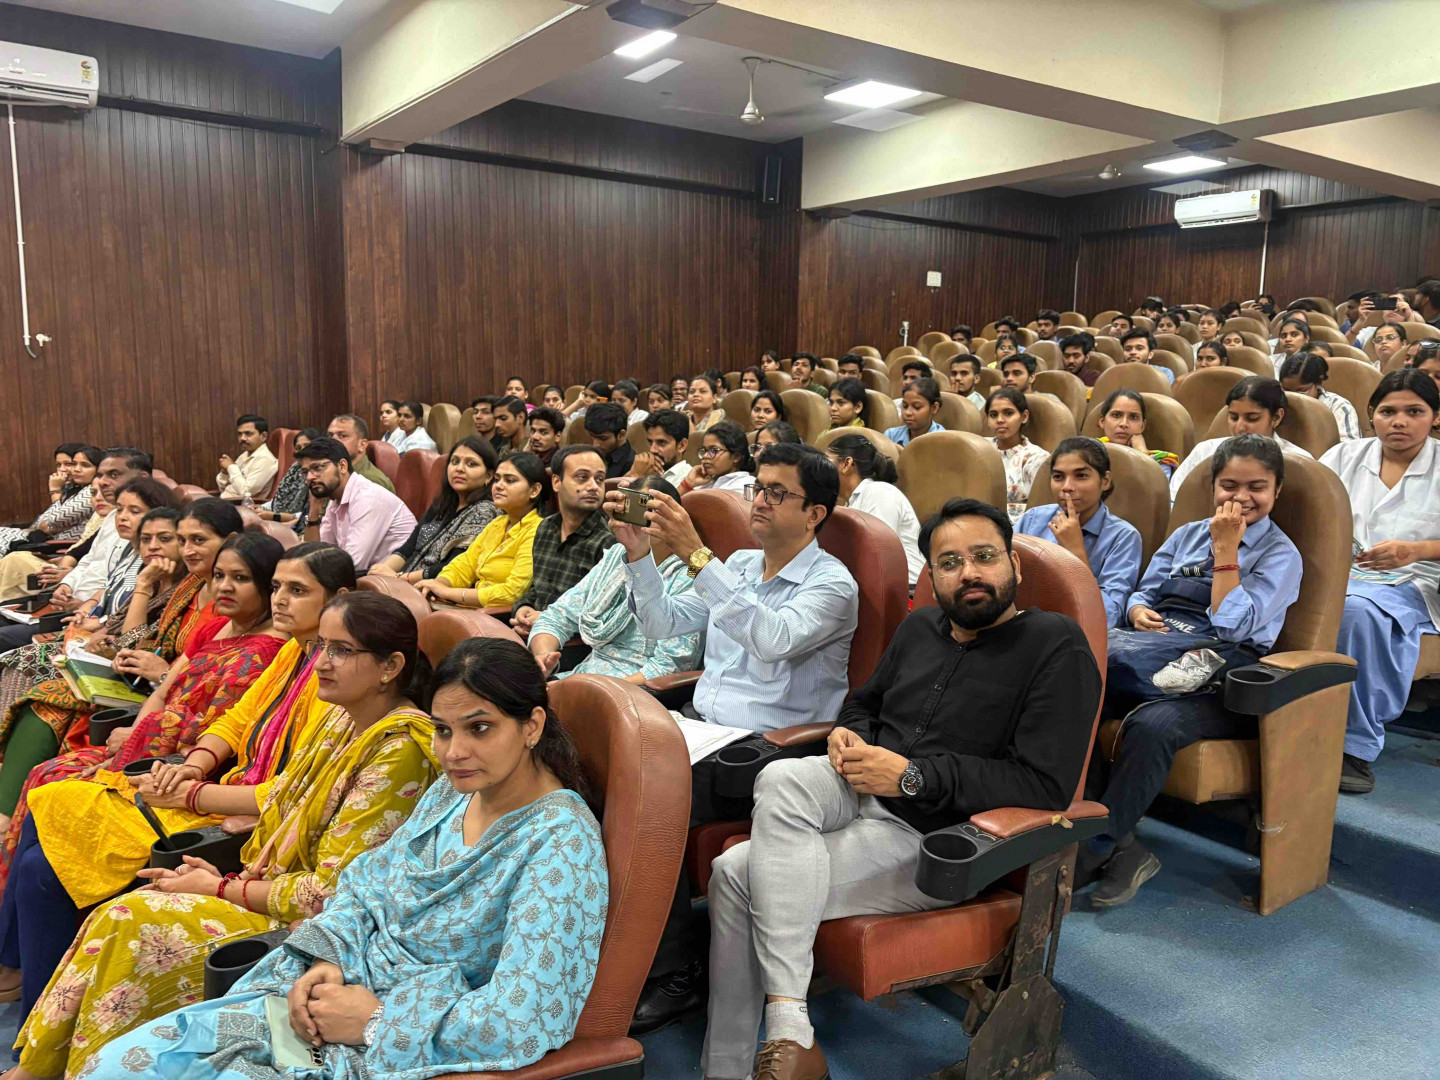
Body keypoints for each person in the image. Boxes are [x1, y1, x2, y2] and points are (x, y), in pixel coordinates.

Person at [701, 497, 1101, 1080]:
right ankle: (788, 1033)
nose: (969, 572)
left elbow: (1044, 784)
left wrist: (912, 776)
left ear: (1013, 563)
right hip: (856, 787)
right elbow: (864, 703)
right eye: (950, 562)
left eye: (984, 557)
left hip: (933, 836)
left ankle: (740, 1062)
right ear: (931, 577)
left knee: (734, 874)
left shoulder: (1055, 645)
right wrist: (850, 736)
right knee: (780, 775)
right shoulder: (920, 627)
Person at [86, 637, 607, 1080]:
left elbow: (524, 1016)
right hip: (333, 995)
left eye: (480, 728)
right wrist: (327, 962)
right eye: (444, 730)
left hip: (396, 1042)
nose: (453, 752)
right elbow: (366, 883)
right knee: (121, 1064)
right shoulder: (454, 792)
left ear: (532, 726)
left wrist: (377, 1021)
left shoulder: (561, 844)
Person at [15, 592, 444, 1077]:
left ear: (391, 666)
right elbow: (283, 797)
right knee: (118, 909)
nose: (322, 662)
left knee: (128, 921)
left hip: (311, 933)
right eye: (320, 646)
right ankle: (38, 1069)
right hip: (262, 887)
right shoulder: (343, 720)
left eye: (342, 650)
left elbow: (329, 895)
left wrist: (219, 887)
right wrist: (221, 863)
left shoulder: (399, 749)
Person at [608, 441, 857, 1032]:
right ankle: (611, 939)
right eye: (758, 489)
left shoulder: (832, 586)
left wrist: (696, 554)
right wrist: (640, 557)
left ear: (815, 513)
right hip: (702, 729)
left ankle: (676, 972)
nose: (760, 502)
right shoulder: (741, 565)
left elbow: (771, 639)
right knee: (598, 764)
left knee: (651, 797)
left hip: (775, 747)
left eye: (777, 493)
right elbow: (662, 624)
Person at [0, 531, 290, 1024]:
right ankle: (14, 965)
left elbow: (221, 728)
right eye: (220, 575)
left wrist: (159, 745)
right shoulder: (212, 623)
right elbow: (170, 690)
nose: (224, 585)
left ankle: (32, 1000)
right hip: (165, 757)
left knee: (42, 851)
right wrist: (141, 728)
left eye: (241, 579)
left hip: (192, 780)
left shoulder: (273, 652)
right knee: (49, 787)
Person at [1081, 436, 1302, 906]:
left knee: (1153, 725)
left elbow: (1232, 626)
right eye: (1229, 485)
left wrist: (1227, 551)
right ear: (1213, 486)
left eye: (1257, 487)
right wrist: (1138, 611)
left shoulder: (1281, 555)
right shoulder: (1186, 534)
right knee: (1075, 690)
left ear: (1277, 491)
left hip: (1225, 674)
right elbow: (1145, 590)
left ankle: (1095, 848)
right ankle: (1120, 843)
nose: (1241, 497)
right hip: (1155, 649)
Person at [0, 499, 245, 875]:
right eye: (182, 540)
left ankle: (7, 824)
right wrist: (138, 600)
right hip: (144, 686)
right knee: (34, 675)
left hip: (161, 707)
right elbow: (137, 641)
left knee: (49, 699)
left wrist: (157, 674)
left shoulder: (229, 608)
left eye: (195, 540)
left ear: (230, 541)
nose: (186, 549)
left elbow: (200, 692)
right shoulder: (191, 586)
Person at [1322, 370, 1440, 795]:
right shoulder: (1343, 456)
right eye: (1388, 412)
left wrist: (1418, 550)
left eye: (1414, 412)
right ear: (1371, 414)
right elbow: (1308, 508)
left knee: (1357, 612)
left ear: (1435, 417)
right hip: (1339, 572)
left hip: (1417, 583)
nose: (1399, 422)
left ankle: (1353, 744)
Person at [528, 474, 701, 681]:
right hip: (584, 676)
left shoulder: (691, 573)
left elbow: (668, 666)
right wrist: (543, 658)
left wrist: (604, 692)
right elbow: (559, 615)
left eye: (652, 512)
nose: (642, 522)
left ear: (676, 518)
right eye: (636, 510)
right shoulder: (616, 557)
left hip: (633, 688)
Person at [1015, 437, 1142, 627]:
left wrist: (1076, 554)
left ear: (1105, 481)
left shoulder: (1123, 537)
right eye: (1058, 477)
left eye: (1081, 476)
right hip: (1022, 621)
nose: (1067, 487)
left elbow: (1110, 616)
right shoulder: (1033, 518)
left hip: (1073, 631)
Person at [504, 446, 616, 636]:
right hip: (534, 630)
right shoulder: (546, 528)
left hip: (573, 642)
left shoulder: (609, 541)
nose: (593, 486)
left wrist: (549, 620)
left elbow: (605, 614)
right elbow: (538, 587)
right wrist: (524, 607)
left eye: (599, 479)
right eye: (582, 477)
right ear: (556, 482)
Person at [418, 452, 546, 610]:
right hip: (469, 607)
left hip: (498, 615)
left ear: (534, 490)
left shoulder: (538, 530)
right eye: (497, 479)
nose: (498, 486)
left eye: (510, 480)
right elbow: (465, 564)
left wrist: (448, 593)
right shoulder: (498, 523)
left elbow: (513, 593)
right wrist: (438, 584)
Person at [369, 436, 500, 582]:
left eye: (471, 464)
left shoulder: (484, 511)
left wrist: (398, 578)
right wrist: (382, 571)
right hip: (404, 580)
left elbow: (453, 567)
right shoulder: (443, 503)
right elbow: (408, 548)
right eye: (455, 461)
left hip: (432, 587)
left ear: (489, 476)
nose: (459, 469)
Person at [1169, 376, 1313, 500]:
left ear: (1276, 417)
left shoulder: (1299, 463)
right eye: (1233, 417)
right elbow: (1175, 500)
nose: (1239, 427)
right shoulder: (1205, 451)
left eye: (1252, 418)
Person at [300, 437, 416, 570]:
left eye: (317, 468)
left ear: (342, 466)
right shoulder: (336, 499)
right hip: (368, 576)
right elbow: (317, 552)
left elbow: (352, 565)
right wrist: (314, 512)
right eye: (305, 472)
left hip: (397, 578)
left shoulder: (367, 498)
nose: (309, 477)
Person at [826, 433, 922, 587]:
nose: (822, 470)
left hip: (906, 590)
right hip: (875, 586)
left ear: (846, 464)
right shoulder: (852, 502)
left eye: (827, 462)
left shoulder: (879, 492)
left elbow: (877, 554)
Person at [0, 444, 98, 559]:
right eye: (58, 465)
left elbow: (53, 520)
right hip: (43, 539)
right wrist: (48, 526)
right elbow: (42, 523)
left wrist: (55, 490)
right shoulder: (73, 488)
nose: (75, 469)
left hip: (57, 546)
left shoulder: (91, 491)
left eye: (68, 464)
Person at [986, 388, 1049, 524]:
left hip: (1016, 527)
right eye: (993, 415)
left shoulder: (1037, 458)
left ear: (1024, 417)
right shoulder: (979, 448)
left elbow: (1039, 511)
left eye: (1008, 413)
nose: (1000, 420)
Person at [1096, 389, 1180, 479]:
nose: (1124, 424)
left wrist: (1142, 454)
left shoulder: (1161, 463)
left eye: (1133, 417)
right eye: (1116, 415)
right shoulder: (1089, 453)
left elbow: (1154, 487)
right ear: (1102, 421)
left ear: (1142, 426)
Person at [1278, 353, 1361, 440]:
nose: (1293, 396)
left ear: (1317, 383)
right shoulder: (1275, 403)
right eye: (1286, 390)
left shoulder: (1338, 407)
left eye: (1301, 391)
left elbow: (1348, 446)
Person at [257, 427, 322, 532]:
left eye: (307, 446)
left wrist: (275, 516)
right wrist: (261, 509)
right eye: (298, 448)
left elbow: (307, 515)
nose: (302, 451)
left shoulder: (318, 475)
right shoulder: (295, 469)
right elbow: (278, 500)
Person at [678, 421, 756, 496]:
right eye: (705, 450)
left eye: (714, 450)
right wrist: (688, 484)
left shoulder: (746, 484)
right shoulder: (705, 481)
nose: (705, 455)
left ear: (736, 457)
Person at [214, 414, 278, 502]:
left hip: (241, 506)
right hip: (225, 502)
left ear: (263, 436)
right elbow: (224, 488)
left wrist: (231, 467)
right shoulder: (244, 455)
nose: (242, 438)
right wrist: (225, 472)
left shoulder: (265, 460)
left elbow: (246, 493)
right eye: (240, 434)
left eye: (248, 434)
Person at [325, 415, 396, 493]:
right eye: (330, 436)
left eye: (342, 436)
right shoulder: (331, 473)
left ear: (362, 445)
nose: (332, 441)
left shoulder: (371, 481)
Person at [633, 409, 693, 488]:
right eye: (650, 442)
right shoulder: (644, 470)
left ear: (682, 446)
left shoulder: (689, 478)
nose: (652, 450)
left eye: (661, 442)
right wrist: (634, 473)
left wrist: (636, 476)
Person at [885, 375, 945, 446]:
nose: (908, 412)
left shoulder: (944, 440)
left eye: (917, 407)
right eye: (905, 406)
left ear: (934, 408)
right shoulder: (891, 435)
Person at [584, 401, 636, 479]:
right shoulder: (592, 455)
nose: (595, 444)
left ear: (621, 435)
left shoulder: (631, 465)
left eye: (603, 438)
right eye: (592, 436)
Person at [526, 404, 565, 468]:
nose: (535, 437)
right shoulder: (532, 456)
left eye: (543, 433)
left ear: (557, 436)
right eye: (533, 431)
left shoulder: (559, 465)